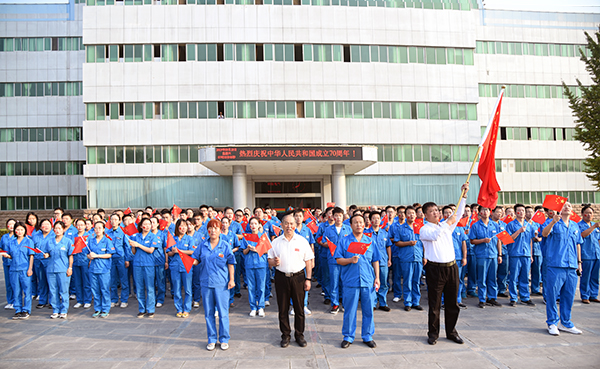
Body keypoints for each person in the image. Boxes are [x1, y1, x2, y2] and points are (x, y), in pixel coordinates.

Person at [420, 183, 469, 345]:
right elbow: (435, 235)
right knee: (434, 304)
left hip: (452, 267)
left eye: (436, 210)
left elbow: (459, 213)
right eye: (431, 211)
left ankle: (451, 332)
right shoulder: (424, 229)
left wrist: (463, 195)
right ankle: (433, 334)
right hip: (435, 269)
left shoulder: (445, 226)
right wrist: (447, 223)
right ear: (425, 215)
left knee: (452, 303)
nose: (435, 213)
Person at [268, 213, 314, 348]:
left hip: (299, 277)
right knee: (283, 309)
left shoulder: (302, 241)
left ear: (296, 225)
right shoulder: (276, 242)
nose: (289, 226)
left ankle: (299, 335)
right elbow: (269, 261)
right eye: (286, 223)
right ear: (281, 225)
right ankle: (285, 335)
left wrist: (308, 279)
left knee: (299, 308)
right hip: (281, 277)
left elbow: (308, 261)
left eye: (292, 223)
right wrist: (274, 262)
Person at [334, 214, 380, 349]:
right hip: (351, 281)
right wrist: (350, 260)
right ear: (351, 225)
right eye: (355, 222)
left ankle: (367, 336)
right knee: (350, 310)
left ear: (364, 225)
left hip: (367, 280)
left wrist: (377, 277)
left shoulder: (369, 241)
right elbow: (338, 259)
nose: (359, 224)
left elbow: (375, 260)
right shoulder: (344, 241)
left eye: (361, 222)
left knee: (368, 310)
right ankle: (348, 336)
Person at [193, 219, 236, 351]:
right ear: (208, 230)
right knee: (209, 313)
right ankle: (211, 339)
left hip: (221, 284)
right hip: (206, 283)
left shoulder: (225, 245)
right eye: (210, 228)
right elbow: (196, 260)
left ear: (220, 230)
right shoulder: (202, 245)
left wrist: (232, 279)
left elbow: (231, 263)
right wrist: (186, 259)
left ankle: (224, 338)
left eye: (216, 228)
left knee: (223, 313)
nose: (213, 231)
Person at [542, 201, 583, 336]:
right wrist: (553, 222)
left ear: (572, 210)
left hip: (571, 266)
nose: (567, 207)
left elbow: (578, 244)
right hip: (555, 264)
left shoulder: (575, 226)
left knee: (569, 296)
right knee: (552, 295)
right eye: (564, 205)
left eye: (569, 205)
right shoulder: (553, 222)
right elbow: (544, 233)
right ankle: (552, 322)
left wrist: (579, 263)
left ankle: (566, 323)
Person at [390, 206, 424, 311]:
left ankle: (416, 301)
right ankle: (408, 302)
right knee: (407, 280)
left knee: (416, 281)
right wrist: (408, 243)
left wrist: (425, 257)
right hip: (406, 258)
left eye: (413, 213)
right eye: (409, 213)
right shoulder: (400, 228)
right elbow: (396, 242)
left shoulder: (419, 227)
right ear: (405, 215)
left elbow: (424, 244)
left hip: (418, 258)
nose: (412, 215)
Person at [469, 206, 503, 308]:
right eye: (483, 210)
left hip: (493, 255)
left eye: (487, 210)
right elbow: (472, 241)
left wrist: (499, 254)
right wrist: (483, 240)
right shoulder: (475, 226)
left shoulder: (494, 225)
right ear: (479, 213)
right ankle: (482, 299)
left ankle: (492, 298)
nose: (485, 212)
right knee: (482, 278)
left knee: (492, 278)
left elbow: (498, 241)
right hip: (481, 255)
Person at [321, 207, 352, 314]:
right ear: (332, 216)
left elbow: (352, 243)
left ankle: (344, 302)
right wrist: (329, 245)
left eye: (340, 215)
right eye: (336, 215)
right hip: (333, 259)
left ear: (343, 216)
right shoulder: (328, 229)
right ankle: (335, 304)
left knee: (344, 282)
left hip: (345, 259)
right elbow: (324, 242)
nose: (338, 217)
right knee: (333, 282)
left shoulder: (348, 229)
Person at [1, 223, 34, 320]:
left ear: (25, 231)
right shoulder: (12, 242)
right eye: (17, 230)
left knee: (27, 290)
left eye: (21, 229)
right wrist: (7, 256)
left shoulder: (28, 242)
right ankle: (18, 309)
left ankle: (26, 310)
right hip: (14, 269)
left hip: (25, 269)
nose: (19, 231)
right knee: (16, 290)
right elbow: (11, 255)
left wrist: (30, 268)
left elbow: (31, 256)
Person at [42, 221, 74, 319]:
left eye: (60, 228)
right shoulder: (49, 241)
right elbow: (47, 252)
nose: (57, 230)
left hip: (63, 269)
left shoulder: (68, 241)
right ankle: (55, 310)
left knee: (63, 290)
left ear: (63, 229)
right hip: (51, 269)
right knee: (53, 290)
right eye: (56, 228)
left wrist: (70, 268)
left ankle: (64, 310)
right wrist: (46, 255)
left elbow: (70, 256)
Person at [506, 204, 535, 307]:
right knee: (513, 277)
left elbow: (530, 241)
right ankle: (513, 297)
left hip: (526, 254)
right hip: (515, 254)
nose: (522, 212)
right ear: (515, 212)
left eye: (523, 210)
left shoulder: (529, 225)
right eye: (519, 210)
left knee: (525, 277)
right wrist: (518, 231)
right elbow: (508, 239)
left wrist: (531, 254)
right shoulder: (511, 225)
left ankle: (525, 297)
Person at [85, 221, 116, 318]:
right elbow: (87, 252)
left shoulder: (107, 241)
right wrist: (89, 256)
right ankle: (97, 309)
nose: (97, 230)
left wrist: (97, 255)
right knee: (95, 290)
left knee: (104, 289)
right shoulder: (91, 240)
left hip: (103, 269)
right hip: (93, 269)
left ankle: (106, 309)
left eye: (100, 228)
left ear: (103, 229)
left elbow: (110, 254)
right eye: (96, 228)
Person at [129, 218, 158, 318]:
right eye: (145, 224)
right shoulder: (135, 236)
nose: (147, 226)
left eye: (149, 224)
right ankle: (142, 309)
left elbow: (150, 250)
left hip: (148, 264)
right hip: (137, 264)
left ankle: (150, 309)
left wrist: (138, 245)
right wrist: (133, 245)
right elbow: (133, 252)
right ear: (141, 226)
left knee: (150, 287)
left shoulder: (153, 237)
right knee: (139, 287)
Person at [166, 219, 195, 318]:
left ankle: (187, 309)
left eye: (185, 226)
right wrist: (173, 252)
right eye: (181, 226)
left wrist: (179, 251)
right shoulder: (172, 239)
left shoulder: (190, 239)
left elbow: (192, 251)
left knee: (187, 289)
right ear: (177, 227)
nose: (183, 228)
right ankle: (179, 309)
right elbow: (168, 253)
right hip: (175, 266)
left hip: (186, 265)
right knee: (176, 288)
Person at [240, 217, 268, 317]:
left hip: (261, 264)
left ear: (259, 225)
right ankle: (253, 307)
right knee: (251, 287)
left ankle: (260, 307)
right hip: (249, 265)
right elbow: (243, 251)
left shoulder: (263, 236)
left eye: (255, 223)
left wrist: (256, 249)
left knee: (261, 286)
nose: (253, 226)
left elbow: (267, 250)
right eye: (251, 224)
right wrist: (248, 249)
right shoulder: (246, 237)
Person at [443, 206, 468, 309]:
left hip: (457, 258)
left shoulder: (459, 227)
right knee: (446, 281)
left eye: (450, 212)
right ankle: (445, 301)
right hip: (445, 258)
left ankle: (457, 300)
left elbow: (463, 243)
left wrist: (464, 257)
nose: (448, 214)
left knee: (458, 280)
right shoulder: (441, 226)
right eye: (446, 213)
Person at [366, 211, 391, 311]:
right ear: (370, 220)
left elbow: (388, 246)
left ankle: (383, 303)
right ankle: (373, 303)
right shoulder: (366, 234)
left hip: (383, 261)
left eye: (378, 218)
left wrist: (389, 259)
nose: (376, 220)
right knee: (372, 283)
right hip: (371, 262)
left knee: (384, 283)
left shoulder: (384, 233)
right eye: (374, 218)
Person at [106, 213, 131, 309]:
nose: (113, 221)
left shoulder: (123, 232)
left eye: (116, 219)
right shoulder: (107, 233)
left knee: (124, 280)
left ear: (119, 221)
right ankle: (114, 299)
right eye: (112, 219)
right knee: (113, 280)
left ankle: (124, 300)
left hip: (121, 258)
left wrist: (127, 259)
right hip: (111, 259)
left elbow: (127, 247)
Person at [578, 205, 600, 304]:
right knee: (586, 276)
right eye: (587, 213)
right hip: (586, 255)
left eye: (591, 213)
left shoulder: (596, 225)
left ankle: (593, 295)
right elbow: (582, 235)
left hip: (596, 254)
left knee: (595, 276)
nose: (589, 215)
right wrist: (593, 227)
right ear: (582, 214)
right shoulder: (579, 225)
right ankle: (585, 295)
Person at [32, 218, 53, 309]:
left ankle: (53, 301)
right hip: (38, 261)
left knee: (51, 282)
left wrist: (49, 254)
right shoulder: (36, 235)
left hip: (49, 262)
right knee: (41, 281)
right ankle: (42, 300)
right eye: (44, 224)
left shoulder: (54, 235)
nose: (46, 226)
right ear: (40, 227)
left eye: (48, 224)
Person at [71, 219, 93, 309]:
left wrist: (90, 260)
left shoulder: (89, 237)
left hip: (85, 261)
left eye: (82, 225)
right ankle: (79, 300)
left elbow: (92, 249)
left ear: (85, 226)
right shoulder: (73, 237)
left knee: (86, 281)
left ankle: (87, 300)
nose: (80, 227)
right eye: (78, 225)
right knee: (77, 282)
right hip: (76, 261)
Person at [527, 206, 544, 296]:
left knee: (537, 271)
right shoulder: (524, 224)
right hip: (526, 250)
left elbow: (541, 235)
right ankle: (524, 290)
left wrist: (538, 239)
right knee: (525, 272)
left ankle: (535, 288)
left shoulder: (537, 224)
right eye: (528, 212)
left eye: (531, 212)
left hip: (537, 250)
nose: (530, 213)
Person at [1, 219, 16, 310]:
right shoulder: (4, 237)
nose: (11, 226)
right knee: (8, 283)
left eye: (13, 224)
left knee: (15, 283)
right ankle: (10, 301)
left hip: (14, 263)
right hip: (6, 263)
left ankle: (16, 301)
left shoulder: (18, 237)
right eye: (9, 224)